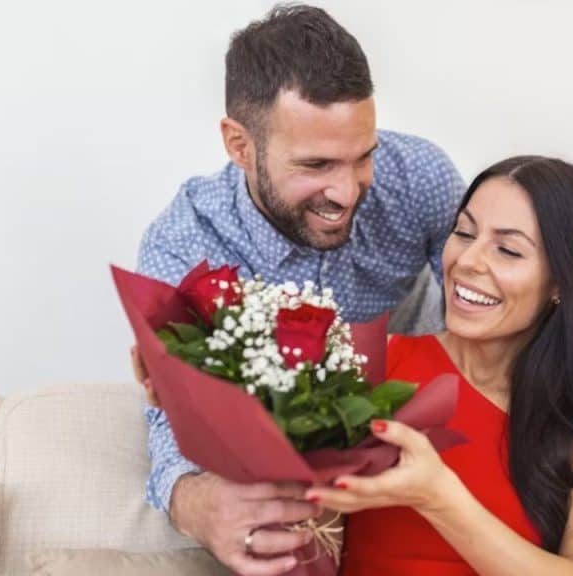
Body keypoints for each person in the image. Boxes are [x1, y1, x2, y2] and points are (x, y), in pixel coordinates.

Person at [132, 5, 464, 575]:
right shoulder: (183, 245)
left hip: (420, 435)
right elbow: (172, 414)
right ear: (240, 146)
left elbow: (490, 297)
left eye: (363, 156)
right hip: (292, 468)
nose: (346, 190)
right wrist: (190, 499)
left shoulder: (419, 177)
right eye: (316, 164)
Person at [305, 156, 573, 575]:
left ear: (560, 281)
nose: (468, 261)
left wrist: (438, 497)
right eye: (464, 233)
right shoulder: (374, 363)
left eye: (507, 250)